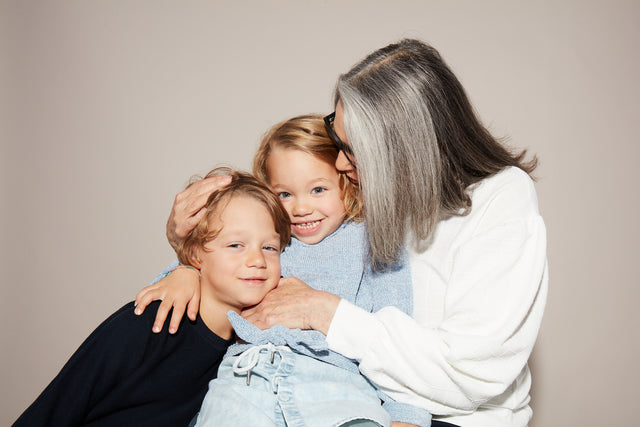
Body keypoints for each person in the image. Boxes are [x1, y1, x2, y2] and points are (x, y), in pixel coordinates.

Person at [136, 39, 548, 427]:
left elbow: (470, 373)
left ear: (402, 149)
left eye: (352, 150)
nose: (341, 165)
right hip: (305, 390)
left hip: (449, 416)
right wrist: (187, 260)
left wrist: (323, 311)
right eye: (338, 139)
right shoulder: (358, 204)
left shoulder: (501, 198)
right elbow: (248, 249)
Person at [145, 115, 431, 426]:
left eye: (318, 190)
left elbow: (398, 332)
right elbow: (196, 267)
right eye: (284, 194)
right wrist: (183, 271)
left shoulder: (376, 239)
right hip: (247, 380)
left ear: (347, 183)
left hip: (336, 390)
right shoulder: (264, 235)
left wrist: (407, 415)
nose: (301, 208)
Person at [13, 168, 290, 427]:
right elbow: (52, 411)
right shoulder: (148, 323)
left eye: (269, 247)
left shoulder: (254, 353)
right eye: (235, 245)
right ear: (194, 254)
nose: (257, 260)